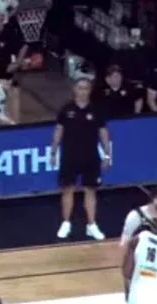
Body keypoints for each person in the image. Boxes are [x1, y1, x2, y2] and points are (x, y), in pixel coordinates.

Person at [53, 78, 111, 240]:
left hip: (90, 156)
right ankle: (66, 223)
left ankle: (91, 225)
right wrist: (53, 151)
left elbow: (103, 133)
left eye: (86, 88)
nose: (83, 91)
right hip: (70, 156)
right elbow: (59, 130)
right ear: (75, 89)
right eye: (80, 88)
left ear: (90, 91)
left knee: (90, 190)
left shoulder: (96, 110)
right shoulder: (66, 110)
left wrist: (107, 154)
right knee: (68, 189)